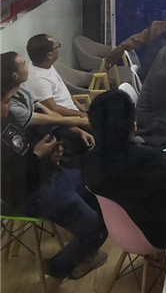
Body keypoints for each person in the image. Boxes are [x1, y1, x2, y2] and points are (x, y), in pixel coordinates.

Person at [1, 53, 107, 280]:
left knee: (103, 198)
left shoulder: (6, 118)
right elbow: (11, 183)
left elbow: (29, 143)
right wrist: (37, 155)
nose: (9, 107)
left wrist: (49, 153)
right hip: (30, 194)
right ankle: (58, 267)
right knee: (96, 225)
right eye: (6, 102)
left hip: (50, 175)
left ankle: (85, 250)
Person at [82, 90, 166, 248]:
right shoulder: (150, 160)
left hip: (119, 231)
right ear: (133, 125)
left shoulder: (87, 162)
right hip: (160, 234)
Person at [6, 52, 94, 155]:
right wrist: (81, 121)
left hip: (52, 128)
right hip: (36, 144)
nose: (27, 68)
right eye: (24, 65)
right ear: (15, 76)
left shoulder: (22, 91)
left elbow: (51, 114)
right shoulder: (12, 105)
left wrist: (79, 130)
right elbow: (52, 119)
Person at [24, 34, 89, 118]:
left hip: (75, 111)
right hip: (69, 119)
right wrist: (82, 115)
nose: (59, 48)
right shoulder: (38, 80)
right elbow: (53, 109)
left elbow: (62, 90)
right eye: (57, 45)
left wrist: (79, 106)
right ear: (49, 55)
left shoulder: (44, 64)